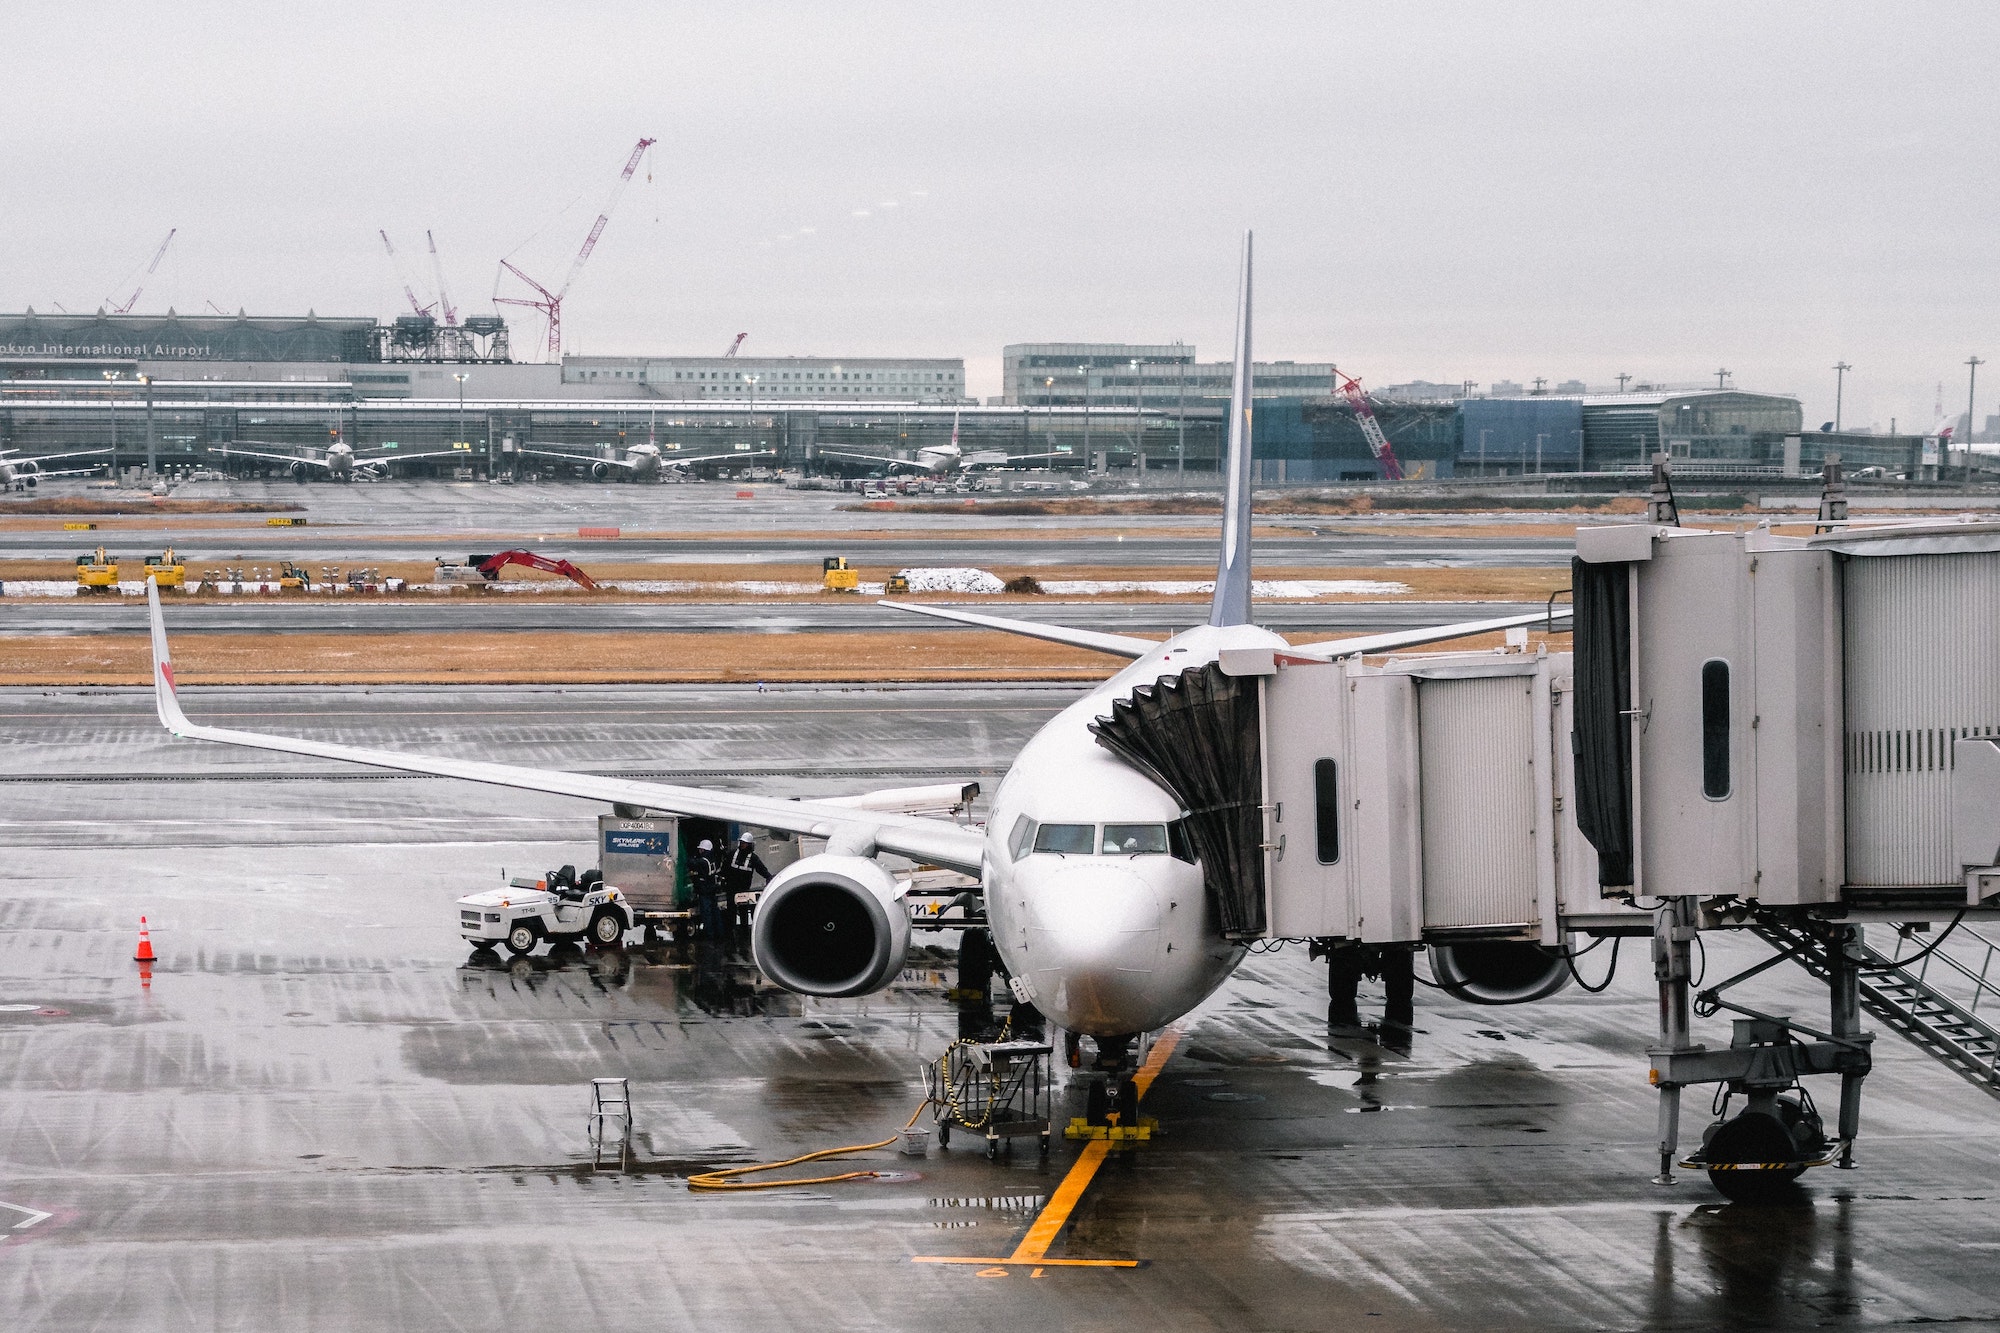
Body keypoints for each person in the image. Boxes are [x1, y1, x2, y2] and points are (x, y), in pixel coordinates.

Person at [724, 832, 773, 938]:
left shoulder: (753, 858)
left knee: (743, 911)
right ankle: (730, 933)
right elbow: (725, 867)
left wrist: (769, 877)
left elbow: (761, 869)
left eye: (745, 843)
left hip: (743, 889)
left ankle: (744, 933)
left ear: (750, 844)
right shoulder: (732, 854)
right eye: (741, 842)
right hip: (731, 887)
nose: (742, 845)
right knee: (730, 911)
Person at [689, 839, 724, 939]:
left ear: (703, 850)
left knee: (707, 914)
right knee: (715, 912)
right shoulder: (712, 859)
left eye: (700, 849)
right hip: (712, 889)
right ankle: (719, 933)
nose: (699, 851)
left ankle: (709, 935)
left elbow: (692, 863)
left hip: (705, 891)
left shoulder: (703, 861)